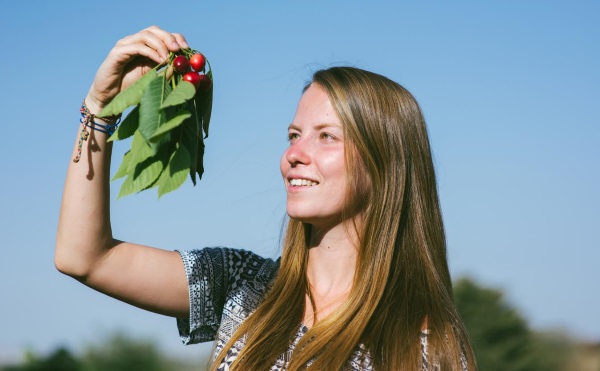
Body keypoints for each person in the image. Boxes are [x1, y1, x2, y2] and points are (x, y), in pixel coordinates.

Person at [55, 26, 475, 370]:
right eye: (293, 136)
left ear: (387, 162)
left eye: (326, 136)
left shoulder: (424, 348)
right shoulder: (244, 285)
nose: (293, 154)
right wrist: (101, 110)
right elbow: (84, 257)